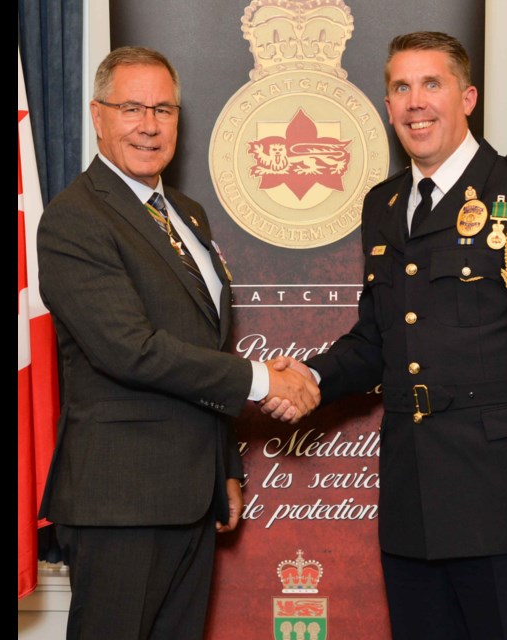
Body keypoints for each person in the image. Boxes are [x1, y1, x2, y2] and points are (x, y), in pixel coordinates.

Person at [264, 32, 507, 639]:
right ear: (387, 106)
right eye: (401, 88)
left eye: (432, 84)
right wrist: (310, 375)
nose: (416, 102)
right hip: (413, 501)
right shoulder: (385, 204)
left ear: (467, 97)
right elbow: (377, 340)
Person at [36, 46, 319, 640]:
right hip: (121, 501)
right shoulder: (75, 219)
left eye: (163, 109)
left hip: (192, 496)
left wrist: (225, 466)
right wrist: (265, 380)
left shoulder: (187, 214)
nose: (149, 124)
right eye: (131, 107)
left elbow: (206, 346)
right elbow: (128, 349)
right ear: (97, 114)